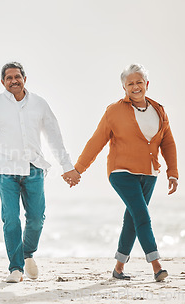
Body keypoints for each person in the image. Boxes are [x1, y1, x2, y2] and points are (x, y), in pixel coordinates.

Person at [0, 62, 80, 283]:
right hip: (6, 170)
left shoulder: (40, 104)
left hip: (34, 169)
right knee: (11, 219)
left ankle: (27, 252)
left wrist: (67, 166)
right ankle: (16, 268)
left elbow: (54, 137)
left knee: (36, 219)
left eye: (17, 76)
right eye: (9, 78)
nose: (14, 80)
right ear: (2, 82)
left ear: (24, 78)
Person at [73, 63, 178, 282]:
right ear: (124, 87)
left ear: (147, 84)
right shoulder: (114, 111)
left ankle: (119, 268)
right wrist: (78, 169)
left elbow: (168, 142)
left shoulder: (159, 110)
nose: (135, 86)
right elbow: (96, 141)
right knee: (142, 216)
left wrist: (172, 172)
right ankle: (157, 265)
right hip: (121, 172)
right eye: (130, 83)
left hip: (149, 173)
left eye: (139, 82)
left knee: (132, 219)